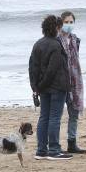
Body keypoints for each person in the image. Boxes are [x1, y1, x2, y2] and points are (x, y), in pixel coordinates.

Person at [28, 15, 72, 161]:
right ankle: (54, 150)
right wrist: (41, 85)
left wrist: (35, 87)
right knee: (54, 118)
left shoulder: (38, 44)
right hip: (56, 87)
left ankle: (41, 150)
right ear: (56, 28)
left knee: (44, 117)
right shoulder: (56, 45)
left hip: (43, 88)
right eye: (59, 27)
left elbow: (32, 67)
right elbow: (53, 70)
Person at [58, 11, 86, 153]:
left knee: (74, 113)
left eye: (71, 22)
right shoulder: (56, 39)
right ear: (61, 23)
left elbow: (75, 61)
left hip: (75, 81)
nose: (69, 25)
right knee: (56, 115)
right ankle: (54, 144)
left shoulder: (76, 40)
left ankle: (72, 143)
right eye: (66, 22)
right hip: (61, 81)